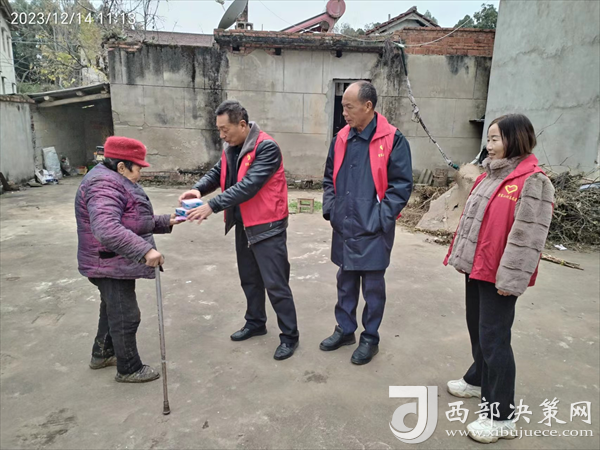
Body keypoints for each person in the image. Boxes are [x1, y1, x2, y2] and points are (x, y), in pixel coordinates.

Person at [444, 114, 555, 443]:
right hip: (478, 268)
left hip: (500, 276)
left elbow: (528, 238)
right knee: (478, 329)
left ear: (515, 139)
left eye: (495, 139)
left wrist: (511, 280)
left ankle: (502, 417)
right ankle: (478, 378)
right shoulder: (490, 176)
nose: (489, 145)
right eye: (488, 139)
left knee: (495, 341)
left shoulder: (532, 182)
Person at [179, 100, 300, 361]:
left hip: (267, 226)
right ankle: (255, 322)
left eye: (225, 130)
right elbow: (217, 172)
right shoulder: (231, 148)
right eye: (219, 130)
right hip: (244, 224)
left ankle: (290, 336)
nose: (222, 135)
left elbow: (249, 185)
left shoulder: (266, 147)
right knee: (249, 279)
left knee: (276, 284)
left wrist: (212, 205)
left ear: (242, 125)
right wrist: (198, 190)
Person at [320, 81, 413, 365]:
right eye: (343, 107)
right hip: (344, 224)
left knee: (373, 288)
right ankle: (345, 329)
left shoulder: (393, 139)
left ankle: (370, 338)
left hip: (374, 229)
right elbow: (328, 178)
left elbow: (401, 186)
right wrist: (331, 209)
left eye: (349, 107)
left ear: (368, 106)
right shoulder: (341, 138)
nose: (344, 113)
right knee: (345, 281)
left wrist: (380, 218)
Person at [75, 136, 180, 383]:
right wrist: (145, 251)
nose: (140, 174)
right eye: (138, 168)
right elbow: (107, 228)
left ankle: (102, 354)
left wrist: (167, 220)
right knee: (126, 315)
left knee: (112, 308)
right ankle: (129, 368)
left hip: (110, 260)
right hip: (108, 262)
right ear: (121, 166)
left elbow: (131, 219)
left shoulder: (113, 179)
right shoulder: (103, 185)